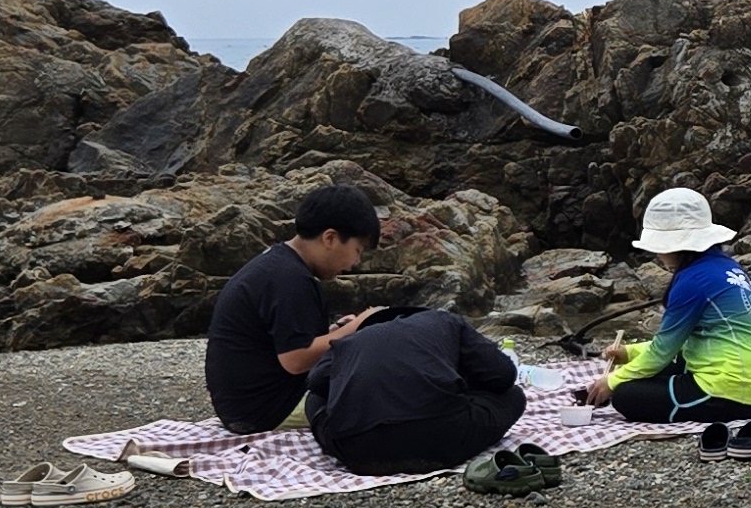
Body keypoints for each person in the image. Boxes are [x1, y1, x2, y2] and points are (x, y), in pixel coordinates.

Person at [580, 185, 751, 456]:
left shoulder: (692, 280)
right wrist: (629, 352)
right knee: (644, 373)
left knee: (626, 395)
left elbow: (663, 352)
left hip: (725, 393)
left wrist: (612, 383)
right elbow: (679, 343)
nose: (656, 254)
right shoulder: (724, 266)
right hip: (749, 385)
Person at [202, 184, 382, 433]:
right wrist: (358, 325)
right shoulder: (291, 279)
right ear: (330, 238)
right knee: (377, 392)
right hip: (267, 412)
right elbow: (296, 360)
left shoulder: (277, 264)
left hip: (243, 407)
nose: (354, 263)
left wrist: (335, 331)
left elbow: (282, 341)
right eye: (357, 251)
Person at [303, 299, 528, 476]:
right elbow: (503, 375)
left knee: (314, 399)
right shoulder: (445, 321)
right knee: (513, 395)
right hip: (442, 440)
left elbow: (316, 383)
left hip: (358, 452)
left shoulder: (349, 340)